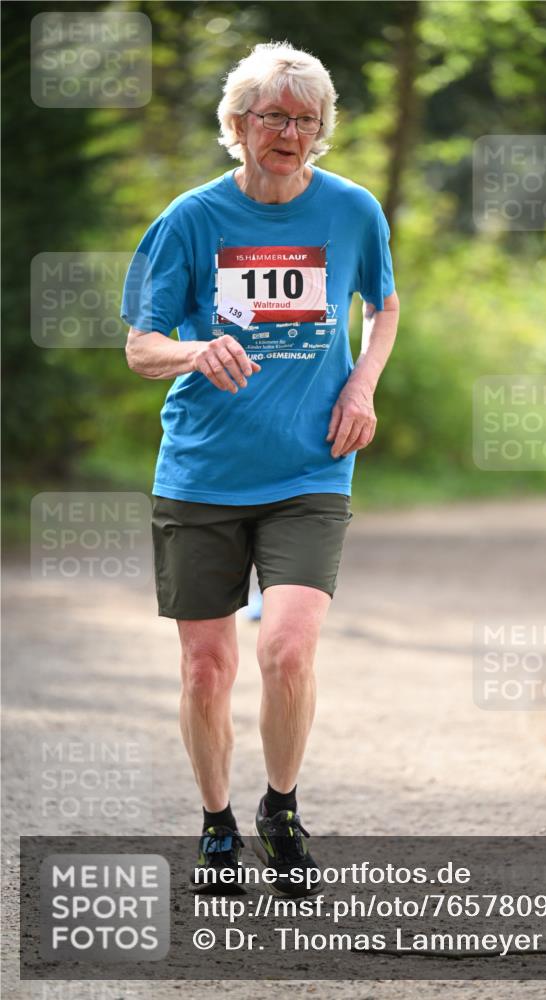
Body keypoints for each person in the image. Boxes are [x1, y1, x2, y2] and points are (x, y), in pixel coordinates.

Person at [121, 41, 399, 896]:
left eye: (306, 118)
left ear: (321, 131)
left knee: (286, 646)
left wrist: (361, 381)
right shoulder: (190, 219)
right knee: (206, 666)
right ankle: (215, 821)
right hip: (202, 473)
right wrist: (197, 349)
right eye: (273, 116)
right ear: (237, 125)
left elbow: (382, 306)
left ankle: (280, 808)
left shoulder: (352, 211)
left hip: (311, 470)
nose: (290, 131)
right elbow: (141, 347)